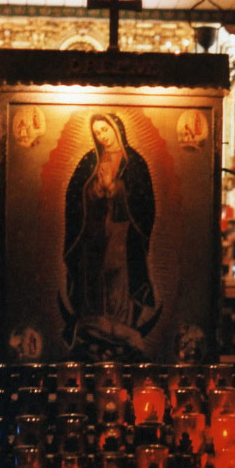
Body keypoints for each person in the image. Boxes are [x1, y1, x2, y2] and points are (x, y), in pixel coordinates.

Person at [60, 112, 160, 353]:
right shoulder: (89, 161)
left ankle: (120, 327)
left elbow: (145, 203)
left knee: (117, 276)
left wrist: (119, 190)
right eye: (97, 133)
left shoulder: (134, 162)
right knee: (93, 275)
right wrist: (93, 191)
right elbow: (74, 194)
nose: (102, 136)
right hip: (92, 232)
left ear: (117, 130)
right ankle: (93, 324)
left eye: (105, 130)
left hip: (122, 232)